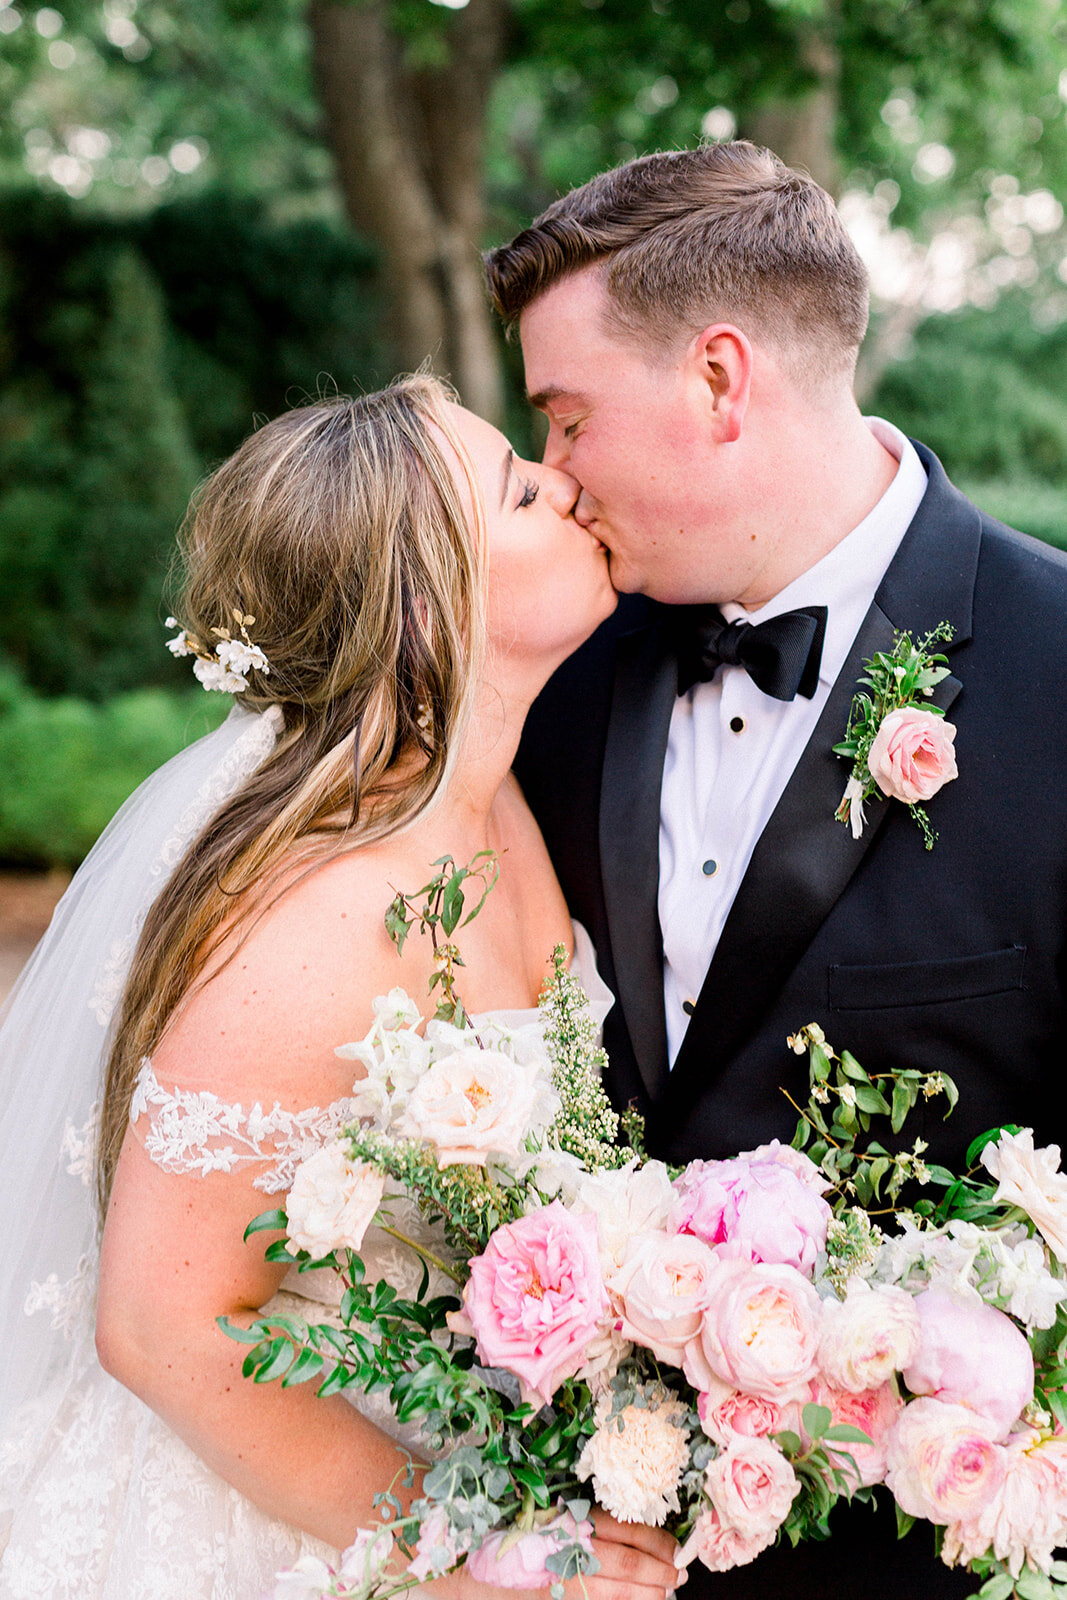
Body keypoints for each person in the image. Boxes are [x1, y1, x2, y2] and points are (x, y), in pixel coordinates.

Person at [485, 141, 1067, 1600]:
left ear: (718, 380)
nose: (552, 475)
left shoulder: (1059, 668)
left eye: (564, 418)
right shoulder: (549, 675)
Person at [0, 375, 680, 1600]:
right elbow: (161, 1325)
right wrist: (457, 1556)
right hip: (286, 1517)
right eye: (521, 494)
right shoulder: (317, 915)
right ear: (429, 613)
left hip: (464, 1448)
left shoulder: (497, 792)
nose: (564, 481)